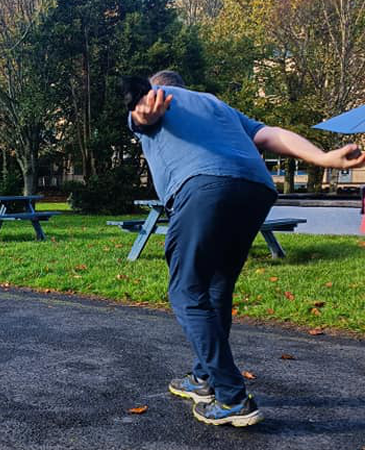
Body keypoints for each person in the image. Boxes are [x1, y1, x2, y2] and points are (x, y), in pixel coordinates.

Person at [127, 70, 365, 427]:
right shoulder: (217, 105)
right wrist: (323, 158)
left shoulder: (158, 98)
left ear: (162, 86)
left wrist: (141, 112)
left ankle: (231, 397)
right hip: (255, 188)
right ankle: (202, 377)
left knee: (186, 291)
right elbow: (269, 135)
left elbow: (141, 115)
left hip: (204, 186)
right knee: (217, 287)